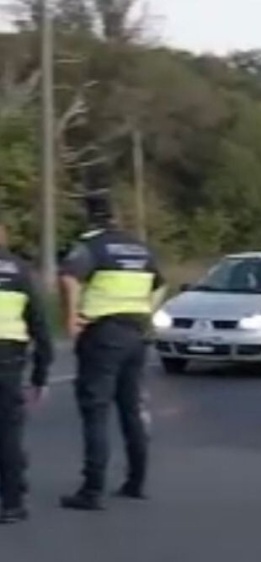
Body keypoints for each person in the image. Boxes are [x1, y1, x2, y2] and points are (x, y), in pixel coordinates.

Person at [57, 184, 167, 511]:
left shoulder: (92, 246)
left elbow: (68, 277)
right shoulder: (140, 248)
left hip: (103, 333)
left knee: (96, 410)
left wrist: (72, 317)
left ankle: (92, 491)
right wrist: (145, 309)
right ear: (115, 215)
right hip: (136, 333)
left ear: (90, 216)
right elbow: (160, 284)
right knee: (130, 410)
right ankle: (136, 482)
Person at [0, 218, 53, 524]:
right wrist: (40, 377)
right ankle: (12, 503)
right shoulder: (21, 270)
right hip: (8, 362)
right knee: (8, 432)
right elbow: (41, 327)